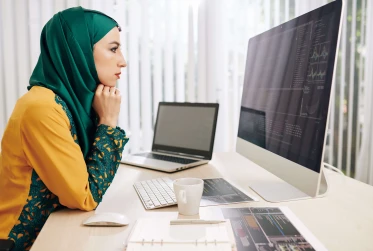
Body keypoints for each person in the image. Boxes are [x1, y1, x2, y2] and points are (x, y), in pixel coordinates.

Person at [0, 6, 128, 251]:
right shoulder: (41, 108)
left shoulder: (69, 104)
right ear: (76, 50)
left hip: (51, 232)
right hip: (18, 242)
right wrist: (108, 123)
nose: (123, 60)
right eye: (113, 49)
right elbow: (85, 196)